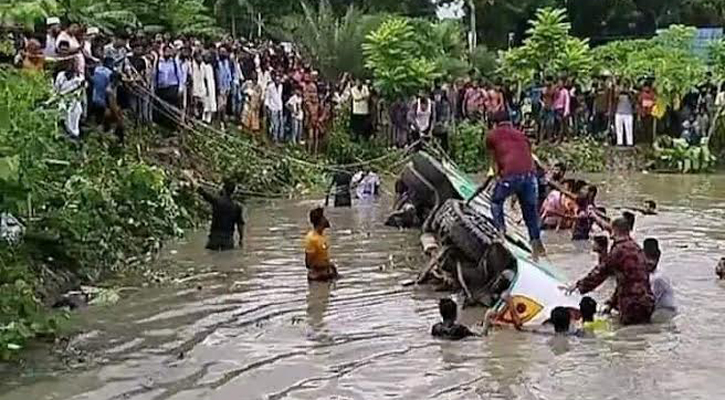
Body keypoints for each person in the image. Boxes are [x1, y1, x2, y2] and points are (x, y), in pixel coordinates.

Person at [480, 110, 545, 258]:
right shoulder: (521, 135)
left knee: (496, 201)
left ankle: (501, 234)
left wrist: (495, 180)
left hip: (511, 176)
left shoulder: (491, 136)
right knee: (530, 214)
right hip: (531, 177)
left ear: (494, 123)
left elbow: (495, 165)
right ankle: (537, 247)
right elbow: (527, 157)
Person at [571, 217, 654, 326]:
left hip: (631, 305)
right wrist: (611, 303)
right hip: (646, 302)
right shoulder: (637, 248)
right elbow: (626, 281)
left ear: (615, 230)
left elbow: (601, 272)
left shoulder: (619, 250)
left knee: (628, 337)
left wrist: (578, 286)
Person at [192, 178, 245, 251]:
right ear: (234, 192)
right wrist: (241, 239)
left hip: (215, 238)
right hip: (228, 239)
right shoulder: (237, 207)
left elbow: (202, 192)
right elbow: (240, 224)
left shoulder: (217, 201)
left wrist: (191, 179)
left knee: (211, 257)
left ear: (223, 190)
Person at [54, 57, 85, 139]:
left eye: (74, 65)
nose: (72, 67)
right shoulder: (61, 75)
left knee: (76, 111)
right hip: (61, 99)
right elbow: (56, 89)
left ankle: (74, 133)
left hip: (74, 100)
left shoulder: (80, 78)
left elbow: (80, 93)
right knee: (62, 110)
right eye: (71, 64)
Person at [643, 238, 677, 315]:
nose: (650, 261)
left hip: (665, 312)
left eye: (653, 257)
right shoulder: (651, 273)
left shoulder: (658, 278)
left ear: (658, 257)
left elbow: (649, 302)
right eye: (647, 257)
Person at [304, 207, 338, 281]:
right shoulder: (312, 239)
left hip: (326, 274)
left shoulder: (322, 236)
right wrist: (323, 266)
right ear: (320, 221)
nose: (326, 219)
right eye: (323, 217)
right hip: (317, 278)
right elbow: (308, 264)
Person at [614, 82, 635, 147]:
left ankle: (630, 142)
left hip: (628, 113)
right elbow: (615, 99)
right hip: (619, 112)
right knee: (619, 129)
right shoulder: (618, 93)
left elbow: (633, 101)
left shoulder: (631, 93)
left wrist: (629, 92)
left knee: (629, 129)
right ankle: (619, 142)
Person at [265, 74, 284, 142]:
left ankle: (279, 137)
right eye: (277, 80)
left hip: (279, 107)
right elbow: (267, 97)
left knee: (280, 123)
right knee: (274, 123)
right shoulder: (270, 87)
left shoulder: (281, 86)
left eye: (279, 81)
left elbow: (279, 97)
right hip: (272, 107)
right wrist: (267, 107)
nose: (278, 82)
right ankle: (274, 137)